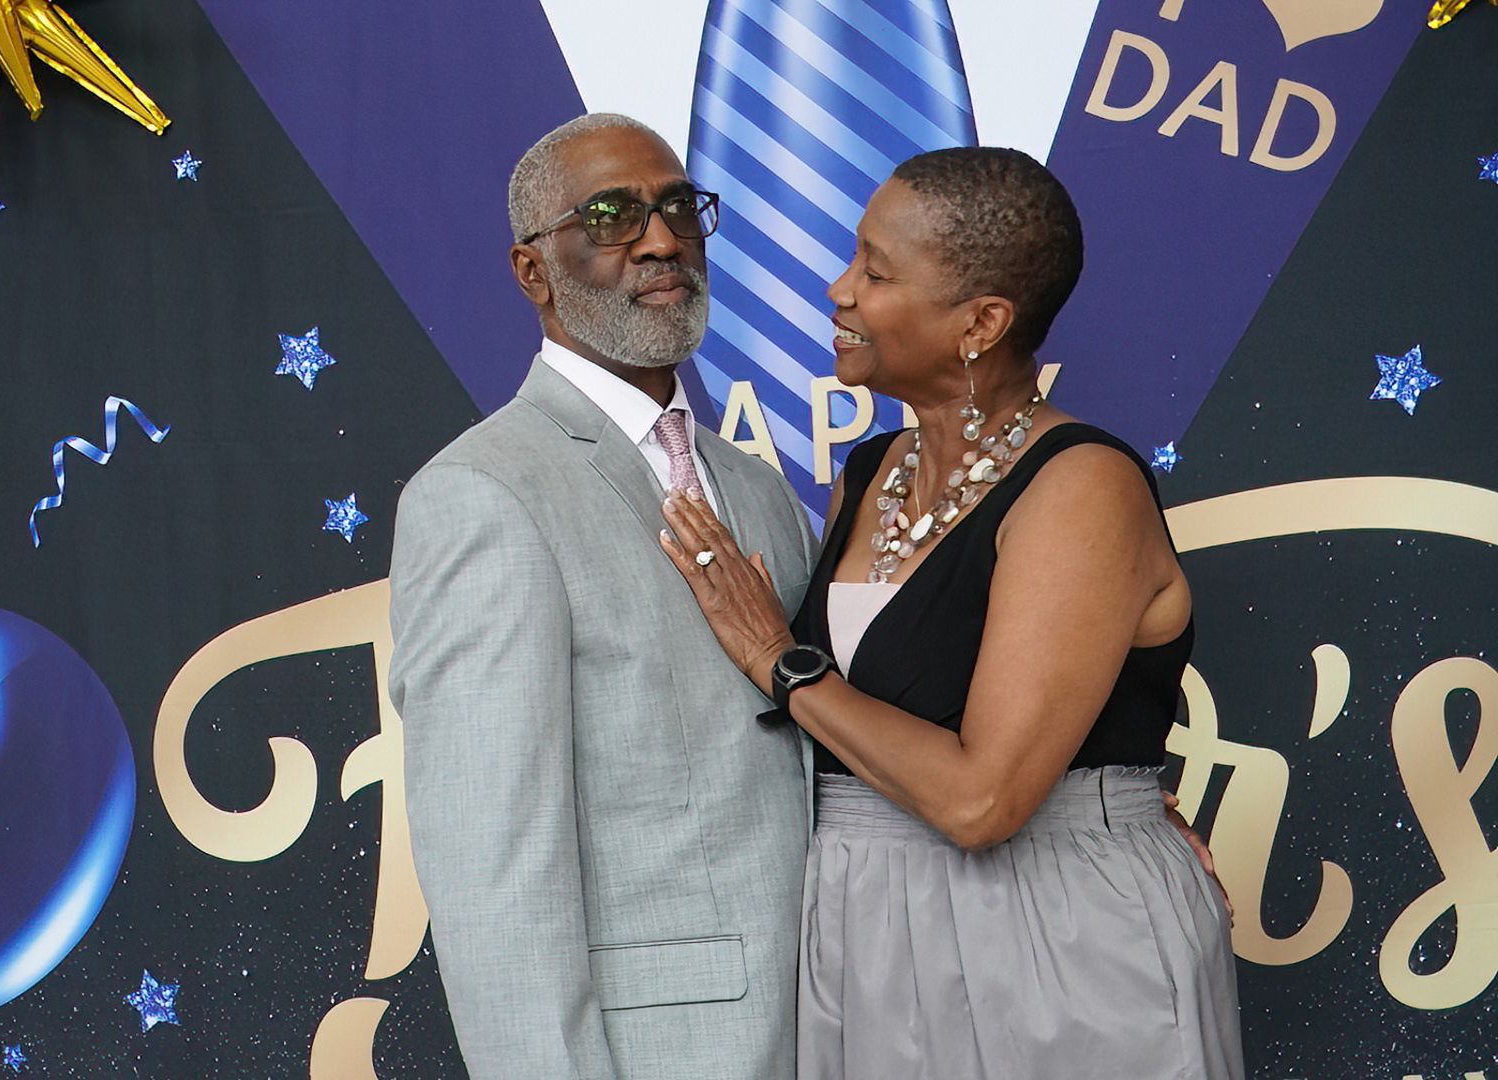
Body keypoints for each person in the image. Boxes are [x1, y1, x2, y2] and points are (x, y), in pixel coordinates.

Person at [656, 147, 1244, 1079]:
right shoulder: (870, 472)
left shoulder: (1082, 487)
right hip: (862, 929)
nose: (840, 290)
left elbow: (982, 802)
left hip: (1057, 935)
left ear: (981, 323)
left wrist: (778, 657)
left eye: (876, 271)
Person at [388, 114, 818, 1078]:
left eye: (679, 209)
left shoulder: (758, 492)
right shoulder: (483, 494)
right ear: (532, 271)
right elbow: (492, 866)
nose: (661, 240)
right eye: (612, 216)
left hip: (832, 1033)